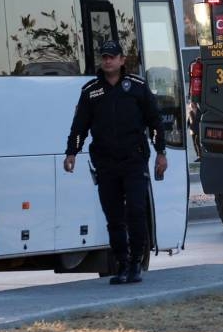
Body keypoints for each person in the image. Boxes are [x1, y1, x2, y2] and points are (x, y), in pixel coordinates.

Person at [63, 40, 167, 285]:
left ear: (122, 60)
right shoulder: (91, 91)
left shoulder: (137, 87)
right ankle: (122, 264)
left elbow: (155, 122)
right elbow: (79, 127)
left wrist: (161, 152)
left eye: (112, 57)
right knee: (114, 216)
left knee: (136, 211)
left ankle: (136, 263)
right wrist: (71, 152)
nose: (108, 61)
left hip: (134, 161)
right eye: (105, 57)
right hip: (106, 163)